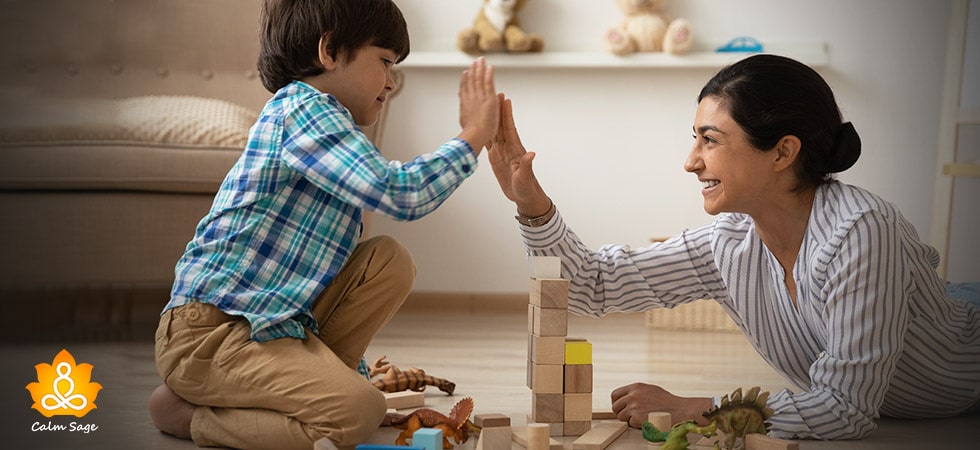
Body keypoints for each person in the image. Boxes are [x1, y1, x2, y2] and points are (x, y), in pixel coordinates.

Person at [488, 54, 980, 440]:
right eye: (694, 138)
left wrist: (697, 409)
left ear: (783, 152)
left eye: (710, 140)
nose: (690, 161)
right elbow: (592, 287)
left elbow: (844, 410)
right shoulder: (728, 243)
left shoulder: (862, 233)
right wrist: (531, 204)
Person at [147, 1, 500, 449]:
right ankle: (190, 418)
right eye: (386, 62)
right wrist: (472, 137)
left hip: (271, 327)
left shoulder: (330, 126)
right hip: (212, 334)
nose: (392, 82)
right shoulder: (304, 109)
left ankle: (326, 392)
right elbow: (400, 193)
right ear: (330, 51)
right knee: (358, 414)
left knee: (387, 260)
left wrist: (350, 378)